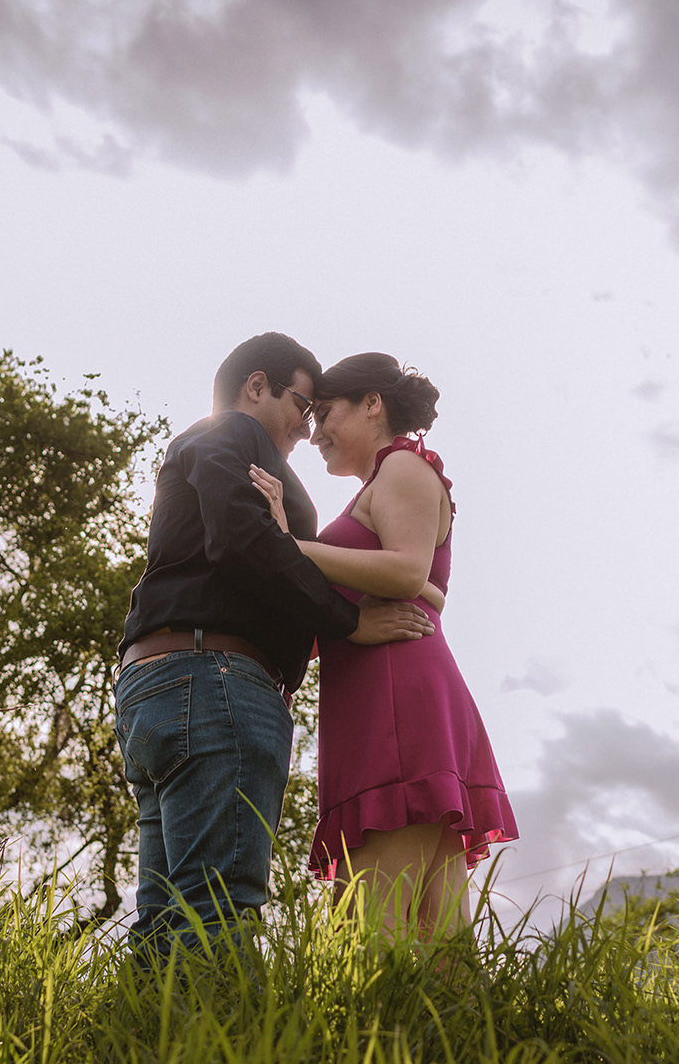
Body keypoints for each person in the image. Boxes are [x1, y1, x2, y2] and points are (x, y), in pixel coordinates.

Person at [115, 333, 437, 957]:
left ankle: (151, 1024)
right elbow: (243, 541)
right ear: (257, 386)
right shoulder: (235, 433)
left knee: (165, 912)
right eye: (303, 406)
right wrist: (347, 623)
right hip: (216, 684)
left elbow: (254, 551)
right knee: (217, 905)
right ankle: (219, 1026)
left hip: (161, 685)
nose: (306, 429)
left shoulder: (216, 450)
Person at [249, 353, 516, 937]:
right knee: (438, 940)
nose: (315, 433)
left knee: (367, 930)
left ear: (372, 404)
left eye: (325, 414)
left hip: (396, 698)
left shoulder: (403, 465)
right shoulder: (378, 485)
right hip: (381, 694)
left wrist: (287, 545)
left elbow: (406, 571)